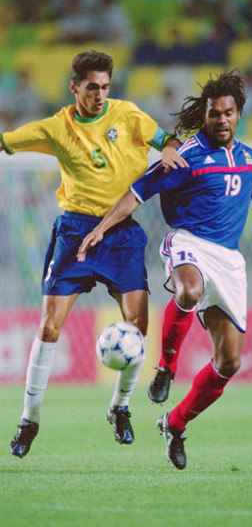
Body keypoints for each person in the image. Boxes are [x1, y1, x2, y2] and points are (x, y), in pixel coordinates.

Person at [77, 70, 252, 470]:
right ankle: (165, 367)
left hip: (229, 262)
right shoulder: (185, 157)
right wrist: (100, 228)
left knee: (229, 363)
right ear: (206, 116)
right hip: (188, 244)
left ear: (238, 115)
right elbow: (136, 193)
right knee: (187, 292)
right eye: (214, 113)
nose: (221, 120)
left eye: (228, 113)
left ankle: (175, 424)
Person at [0, 49, 186, 458]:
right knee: (49, 326)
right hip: (74, 231)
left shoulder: (128, 114)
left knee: (137, 329)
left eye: (104, 86)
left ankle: (119, 408)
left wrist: (171, 147)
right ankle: (29, 421)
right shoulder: (56, 127)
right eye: (91, 88)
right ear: (74, 88)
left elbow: (164, 138)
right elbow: (6, 141)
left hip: (121, 233)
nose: (100, 95)